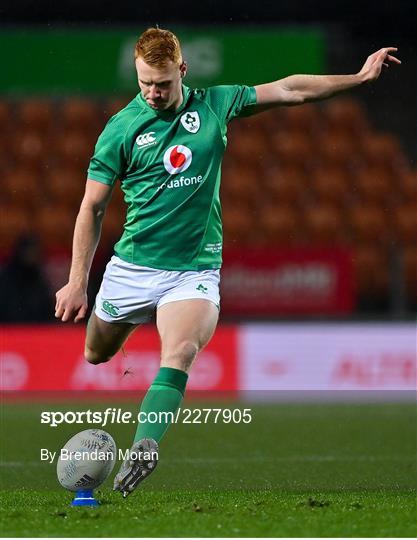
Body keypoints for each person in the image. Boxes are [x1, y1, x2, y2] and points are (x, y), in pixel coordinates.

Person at [55, 27, 400, 497]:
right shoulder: (120, 129)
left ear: (183, 71)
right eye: (144, 84)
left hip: (194, 269)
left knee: (180, 353)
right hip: (133, 268)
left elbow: (289, 89)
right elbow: (91, 208)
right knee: (96, 352)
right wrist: (77, 282)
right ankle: (122, 333)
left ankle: (144, 446)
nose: (154, 93)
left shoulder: (215, 104)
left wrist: (358, 78)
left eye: (163, 83)